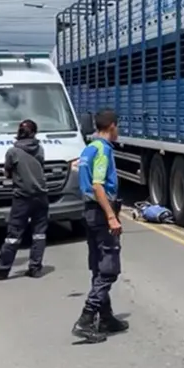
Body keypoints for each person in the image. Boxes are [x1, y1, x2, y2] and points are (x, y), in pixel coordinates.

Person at [72, 110, 129, 343]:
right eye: (118, 128)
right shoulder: (103, 150)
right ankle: (86, 319)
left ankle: (105, 317)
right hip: (100, 211)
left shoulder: (88, 148)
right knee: (109, 268)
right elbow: (98, 186)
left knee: (98, 264)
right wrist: (111, 216)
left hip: (89, 212)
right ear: (112, 126)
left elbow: (80, 173)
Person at [0, 119, 49, 280]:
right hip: (41, 196)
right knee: (39, 233)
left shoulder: (13, 152)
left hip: (22, 198)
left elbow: (7, 172)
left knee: (14, 234)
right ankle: (35, 268)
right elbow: (40, 166)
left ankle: (2, 269)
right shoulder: (39, 148)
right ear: (34, 133)